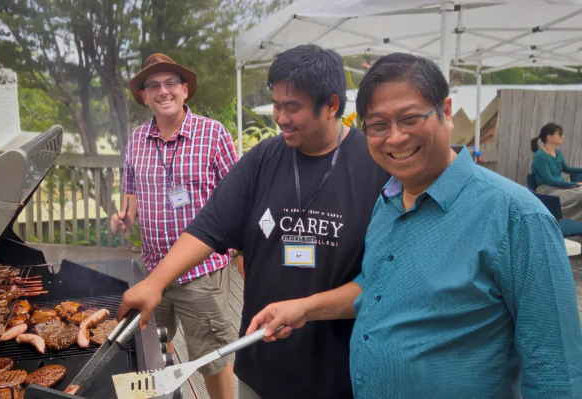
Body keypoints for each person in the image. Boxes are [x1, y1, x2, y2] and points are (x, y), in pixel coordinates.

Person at [246, 52, 582, 398]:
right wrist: (305, 307)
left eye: (409, 118)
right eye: (378, 125)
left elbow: (557, 373)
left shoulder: (517, 217)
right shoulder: (388, 202)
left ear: (446, 111)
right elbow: (377, 285)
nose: (394, 138)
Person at [116, 44, 390, 399]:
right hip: (262, 364)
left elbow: (384, 282)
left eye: (293, 107)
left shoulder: (374, 166)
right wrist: (157, 281)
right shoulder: (264, 158)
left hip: (341, 371)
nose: (280, 117)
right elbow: (209, 225)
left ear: (332, 105)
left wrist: (306, 308)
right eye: (276, 105)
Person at [110, 53, 239, 399]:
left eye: (170, 83)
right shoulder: (137, 139)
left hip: (201, 274)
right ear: (144, 95)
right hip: (152, 273)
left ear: (185, 90)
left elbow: (238, 198)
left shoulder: (213, 135)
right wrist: (123, 218)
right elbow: (131, 194)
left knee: (212, 358)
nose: (162, 91)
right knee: (153, 351)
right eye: (153, 85)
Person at [531, 122, 582, 222]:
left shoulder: (557, 153)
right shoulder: (540, 156)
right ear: (549, 137)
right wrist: (575, 184)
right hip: (548, 192)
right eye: (560, 134)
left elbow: (567, 169)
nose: (562, 136)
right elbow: (549, 180)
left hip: (561, 189)